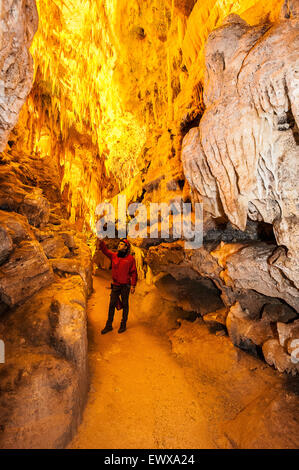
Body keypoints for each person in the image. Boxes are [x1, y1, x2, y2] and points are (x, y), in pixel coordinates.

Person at [98, 238, 137, 334]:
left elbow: (134, 273)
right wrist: (101, 242)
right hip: (116, 285)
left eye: (122, 244)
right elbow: (105, 251)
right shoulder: (114, 256)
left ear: (126, 247)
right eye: (119, 244)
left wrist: (133, 285)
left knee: (125, 304)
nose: (119, 245)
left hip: (125, 286)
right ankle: (108, 325)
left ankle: (123, 324)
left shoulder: (130, 259)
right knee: (112, 304)